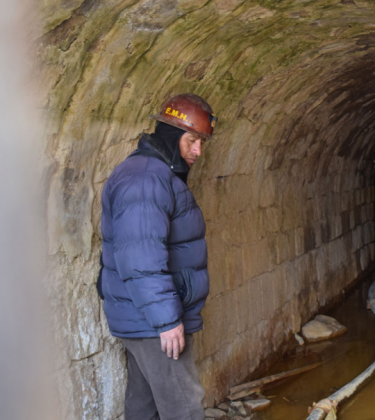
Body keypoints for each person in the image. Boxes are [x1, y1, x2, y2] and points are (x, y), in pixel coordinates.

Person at [99, 94, 218, 420]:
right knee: (184, 406)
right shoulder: (145, 179)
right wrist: (166, 321)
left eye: (201, 143)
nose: (197, 151)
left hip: (142, 319)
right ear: (170, 134)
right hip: (152, 322)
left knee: (144, 405)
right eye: (192, 140)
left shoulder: (154, 174)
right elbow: (141, 257)